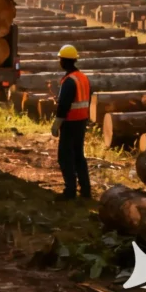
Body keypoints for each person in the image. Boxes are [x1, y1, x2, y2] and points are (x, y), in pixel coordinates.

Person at [50, 44, 91, 201]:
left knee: (65, 157)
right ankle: (85, 190)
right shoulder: (82, 77)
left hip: (70, 122)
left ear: (64, 61)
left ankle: (70, 191)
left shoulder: (68, 81)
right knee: (79, 155)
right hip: (81, 121)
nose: (59, 61)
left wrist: (56, 125)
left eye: (60, 59)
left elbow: (64, 106)